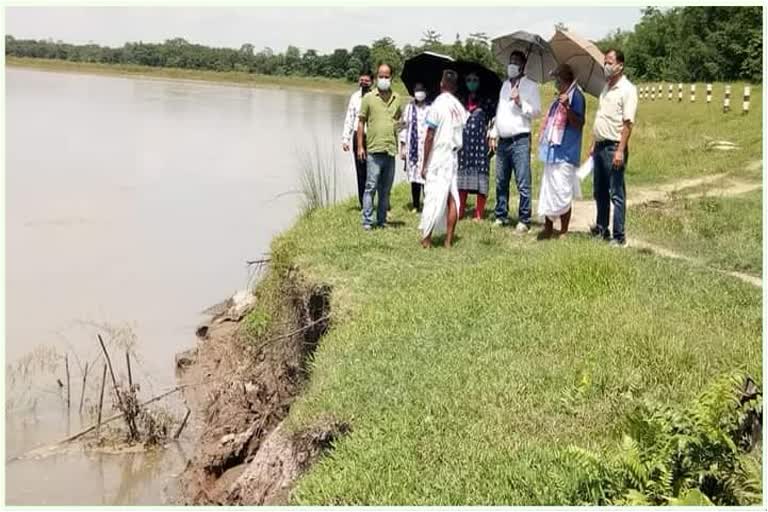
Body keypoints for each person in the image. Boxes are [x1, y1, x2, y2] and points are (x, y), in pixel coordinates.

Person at [588, 48, 638, 247]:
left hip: (613, 147)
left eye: (610, 62)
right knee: (599, 191)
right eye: (605, 62)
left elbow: (627, 123)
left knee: (616, 192)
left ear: (620, 65)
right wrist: (593, 143)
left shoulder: (627, 90)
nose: (606, 65)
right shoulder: (606, 87)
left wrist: (620, 150)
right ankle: (602, 228)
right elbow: (601, 117)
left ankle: (619, 236)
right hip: (600, 146)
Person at [489, 50, 541, 232]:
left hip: (520, 140)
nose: (512, 64)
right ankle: (501, 214)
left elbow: (536, 112)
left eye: (516, 61)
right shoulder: (504, 85)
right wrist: (494, 132)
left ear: (523, 65)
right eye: (511, 60)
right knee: (501, 180)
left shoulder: (530, 86)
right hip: (503, 140)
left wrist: (519, 101)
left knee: (522, 181)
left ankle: (524, 219)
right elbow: (500, 111)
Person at [419, 69, 468, 248]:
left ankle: (427, 238)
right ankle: (448, 240)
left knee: (433, 195)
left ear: (441, 84)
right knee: (452, 196)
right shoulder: (458, 106)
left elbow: (430, 136)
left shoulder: (437, 105)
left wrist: (424, 164)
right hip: (453, 155)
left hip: (439, 155)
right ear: (454, 86)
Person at [536, 64, 585, 238]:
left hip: (566, 152)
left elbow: (579, 124)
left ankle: (564, 230)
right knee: (549, 191)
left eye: (558, 78)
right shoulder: (559, 98)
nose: (556, 82)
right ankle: (548, 227)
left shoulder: (577, 97)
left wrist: (568, 107)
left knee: (563, 191)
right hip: (552, 152)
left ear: (565, 78)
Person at [357, 63, 404, 230]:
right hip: (373, 149)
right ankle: (367, 221)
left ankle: (382, 220)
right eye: (381, 76)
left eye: (387, 76)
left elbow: (398, 121)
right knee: (370, 186)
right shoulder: (368, 98)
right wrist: (360, 147)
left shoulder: (397, 98)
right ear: (376, 78)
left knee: (386, 189)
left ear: (391, 78)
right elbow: (361, 123)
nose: (384, 79)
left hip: (390, 149)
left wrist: (402, 125)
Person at [457, 71, 496, 221]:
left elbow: (493, 119)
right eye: (469, 79)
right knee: (462, 179)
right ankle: (460, 210)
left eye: (475, 79)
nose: (471, 82)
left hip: (480, 145)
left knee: (481, 177)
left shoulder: (487, 101)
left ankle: (479, 213)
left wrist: (492, 136)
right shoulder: (460, 100)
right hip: (463, 145)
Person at [342, 71, 373, 209]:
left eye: (366, 80)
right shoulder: (355, 97)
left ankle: (372, 201)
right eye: (361, 80)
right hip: (357, 137)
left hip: (373, 137)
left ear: (372, 82)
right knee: (360, 171)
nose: (363, 82)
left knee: (373, 171)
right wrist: (345, 139)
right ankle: (363, 203)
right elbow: (349, 118)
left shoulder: (375, 96)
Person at [398, 82, 430, 212]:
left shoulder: (430, 108)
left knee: (426, 176)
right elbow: (403, 127)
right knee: (414, 177)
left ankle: (427, 204)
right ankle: (416, 205)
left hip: (426, 148)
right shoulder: (409, 108)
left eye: (421, 90)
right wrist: (403, 146)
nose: (419, 93)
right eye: (417, 90)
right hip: (412, 148)